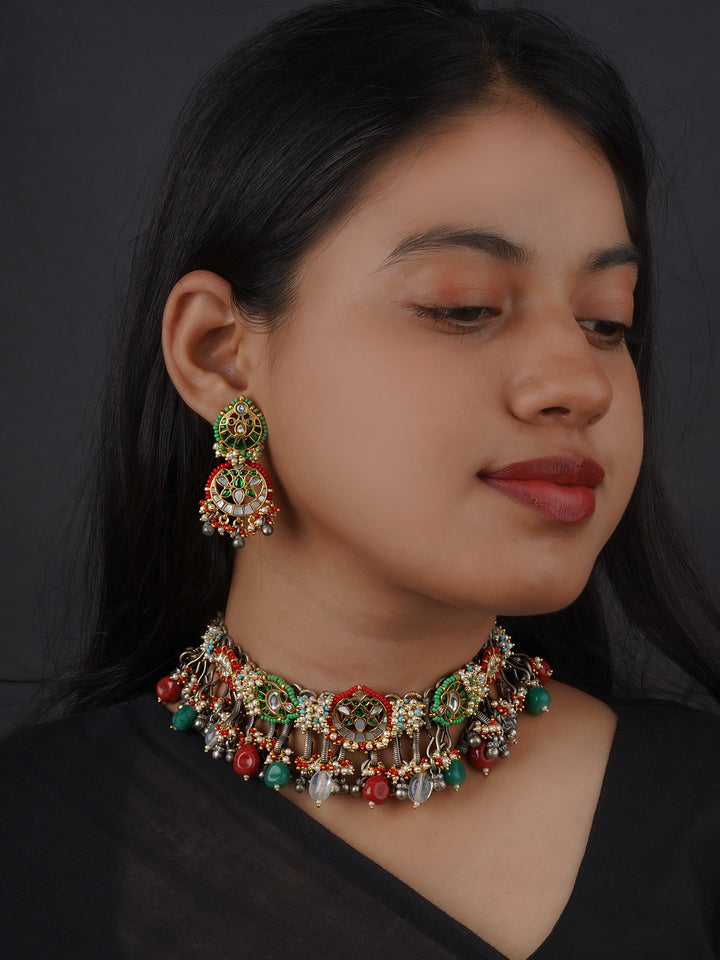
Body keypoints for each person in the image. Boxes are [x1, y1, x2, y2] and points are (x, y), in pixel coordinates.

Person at [2, 1, 719, 958]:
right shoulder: (33, 842)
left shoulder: (699, 814)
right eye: (463, 306)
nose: (581, 383)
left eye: (606, 321)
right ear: (218, 355)